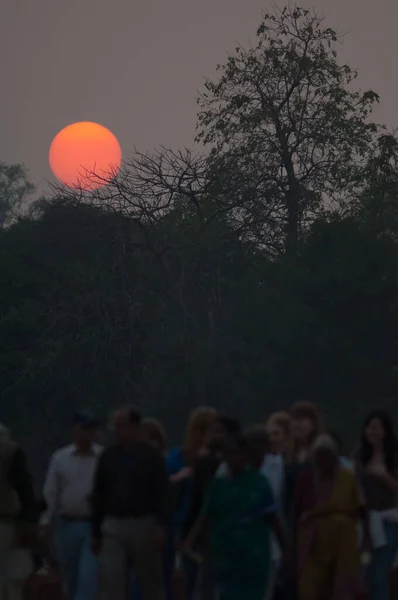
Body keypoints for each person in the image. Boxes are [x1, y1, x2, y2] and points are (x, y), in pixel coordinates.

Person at [184, 433, 288, 600]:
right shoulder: (219, 484)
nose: (233, 457)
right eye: (228, 453)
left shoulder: (259, 484)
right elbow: (205, 516)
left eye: (236, 452)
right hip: (224, 557)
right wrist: (189, 541)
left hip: (253, 557)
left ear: (245, 454)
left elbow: (274, 520)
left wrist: (286, 552)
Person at [91, 405, 169, 600]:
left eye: (122, 426)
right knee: (110, 578)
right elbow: (99, 494)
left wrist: (160, 525)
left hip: (144, 522)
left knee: (150, 580)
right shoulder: (108, 456)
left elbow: (163, 492)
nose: (118, 431)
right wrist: (96, 531)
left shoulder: (151, 456)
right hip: (114, 523)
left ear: (135, 427)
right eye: (115, 426)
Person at [295, 434, 369, 600]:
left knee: (343, 587)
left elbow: (361, 508)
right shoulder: (306, 478)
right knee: (310, 587)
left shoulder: (347, 477)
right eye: (319, 454)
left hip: (343, 539)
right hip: (313, 541)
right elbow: (296, 510)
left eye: (327, 454)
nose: (323, 459)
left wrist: (367, 540)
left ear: (334, 456)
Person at [41, 410, 102, 600]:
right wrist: (45, 520)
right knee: (71, 578)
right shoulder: (60, 458)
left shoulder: (103, 456)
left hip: (94, 525)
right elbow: (51, 492)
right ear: (74, 431)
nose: (89, 433)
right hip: (66, 525)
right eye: (85, 428)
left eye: (92, 429)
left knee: (89, 575)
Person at [181, 416, 242, 600]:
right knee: (205, 586)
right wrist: (186, 534)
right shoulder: (203, 463)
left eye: (218, 431)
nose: (212, 436)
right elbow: (198, 501)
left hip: (235, 536)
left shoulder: (240, 465)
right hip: (209, 536)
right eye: (210, 431)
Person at [166, 407, 218, 600]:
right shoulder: (179, 456)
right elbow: (165, 483)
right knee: (185, 578)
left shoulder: (218, 459)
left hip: (207, 527)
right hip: (182, 523)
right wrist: (179, 478)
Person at [354, 410, 398, 600]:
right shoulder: (359, 455)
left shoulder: (394, 456)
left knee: (381, 573)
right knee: (364, 570)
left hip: (389, 520)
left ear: (385, 431)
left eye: (376, 428)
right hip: (365, 522)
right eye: (369, 428)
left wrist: (383, 475)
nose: (371, 432)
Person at [0, 423, 38, 600]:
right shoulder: (10, 451)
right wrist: (29, 523)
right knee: (11, 578)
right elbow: (25, 489)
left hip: (6, 521)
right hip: (6, 522)